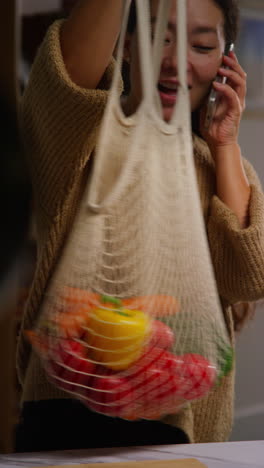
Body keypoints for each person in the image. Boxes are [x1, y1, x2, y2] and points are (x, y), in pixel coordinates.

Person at [16, 0, 264, 452]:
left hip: (186, 427)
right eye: (158, 38)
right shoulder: (80, 140)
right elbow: (67, 78)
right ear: (127, 47)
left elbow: (246, 278)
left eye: (202, 44)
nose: (174, 60)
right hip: (68, 415)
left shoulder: (225, 169)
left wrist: (225, 144)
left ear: (224, 62)